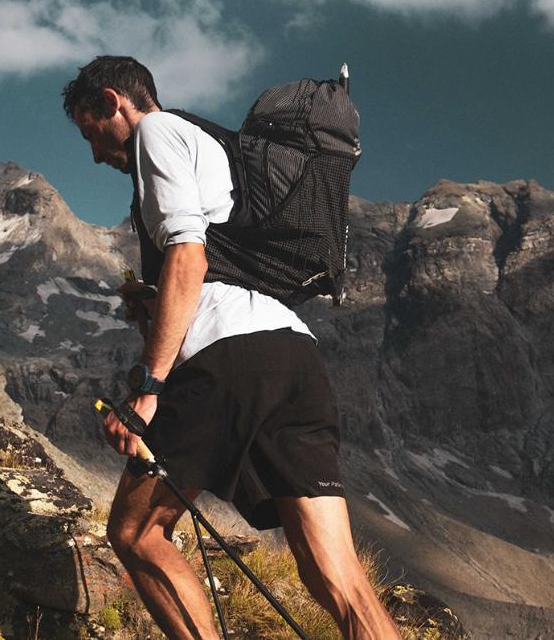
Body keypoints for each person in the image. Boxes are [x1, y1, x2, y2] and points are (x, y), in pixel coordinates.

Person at [62, 55, 400, 639]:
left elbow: (190, 256)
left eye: (91, 131)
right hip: (293, 355)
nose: (94, 153)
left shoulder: (157, 132)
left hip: (231, 358)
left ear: (114, 102)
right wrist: (151, 304)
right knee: (337, 577)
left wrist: (147, 390)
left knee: (136, 534)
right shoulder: (211, 145)